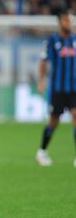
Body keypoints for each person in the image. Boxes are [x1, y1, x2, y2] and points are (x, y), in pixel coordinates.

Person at [36, 10, 76, 167]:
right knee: (54, 121)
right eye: (66, 20)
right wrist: (41, 80)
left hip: (73, 88)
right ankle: (42, 151)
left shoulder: (74, 40)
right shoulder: (52, 41)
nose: (69, 23)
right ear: (60, 22)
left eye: (70, 20)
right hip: (58, 89)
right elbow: (44, 62)